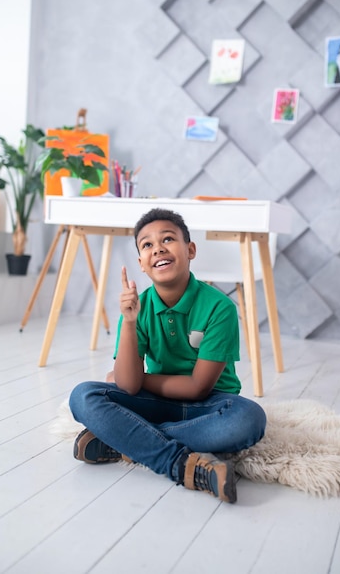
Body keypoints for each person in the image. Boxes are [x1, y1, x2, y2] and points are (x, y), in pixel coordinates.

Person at [69, 208, 266, 504]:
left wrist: (140, 379)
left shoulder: (220, 308)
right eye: (147, 244)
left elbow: (198, 387)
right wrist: (130, 322)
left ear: (190, 250)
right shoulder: (138, 307)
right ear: (142, 264)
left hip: (210, 405)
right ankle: (180, 464)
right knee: (83, 395)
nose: (158, 248)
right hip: (157, 404)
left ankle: (126, 441)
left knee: (249, 419)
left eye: (168, 239)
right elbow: (127, 386)